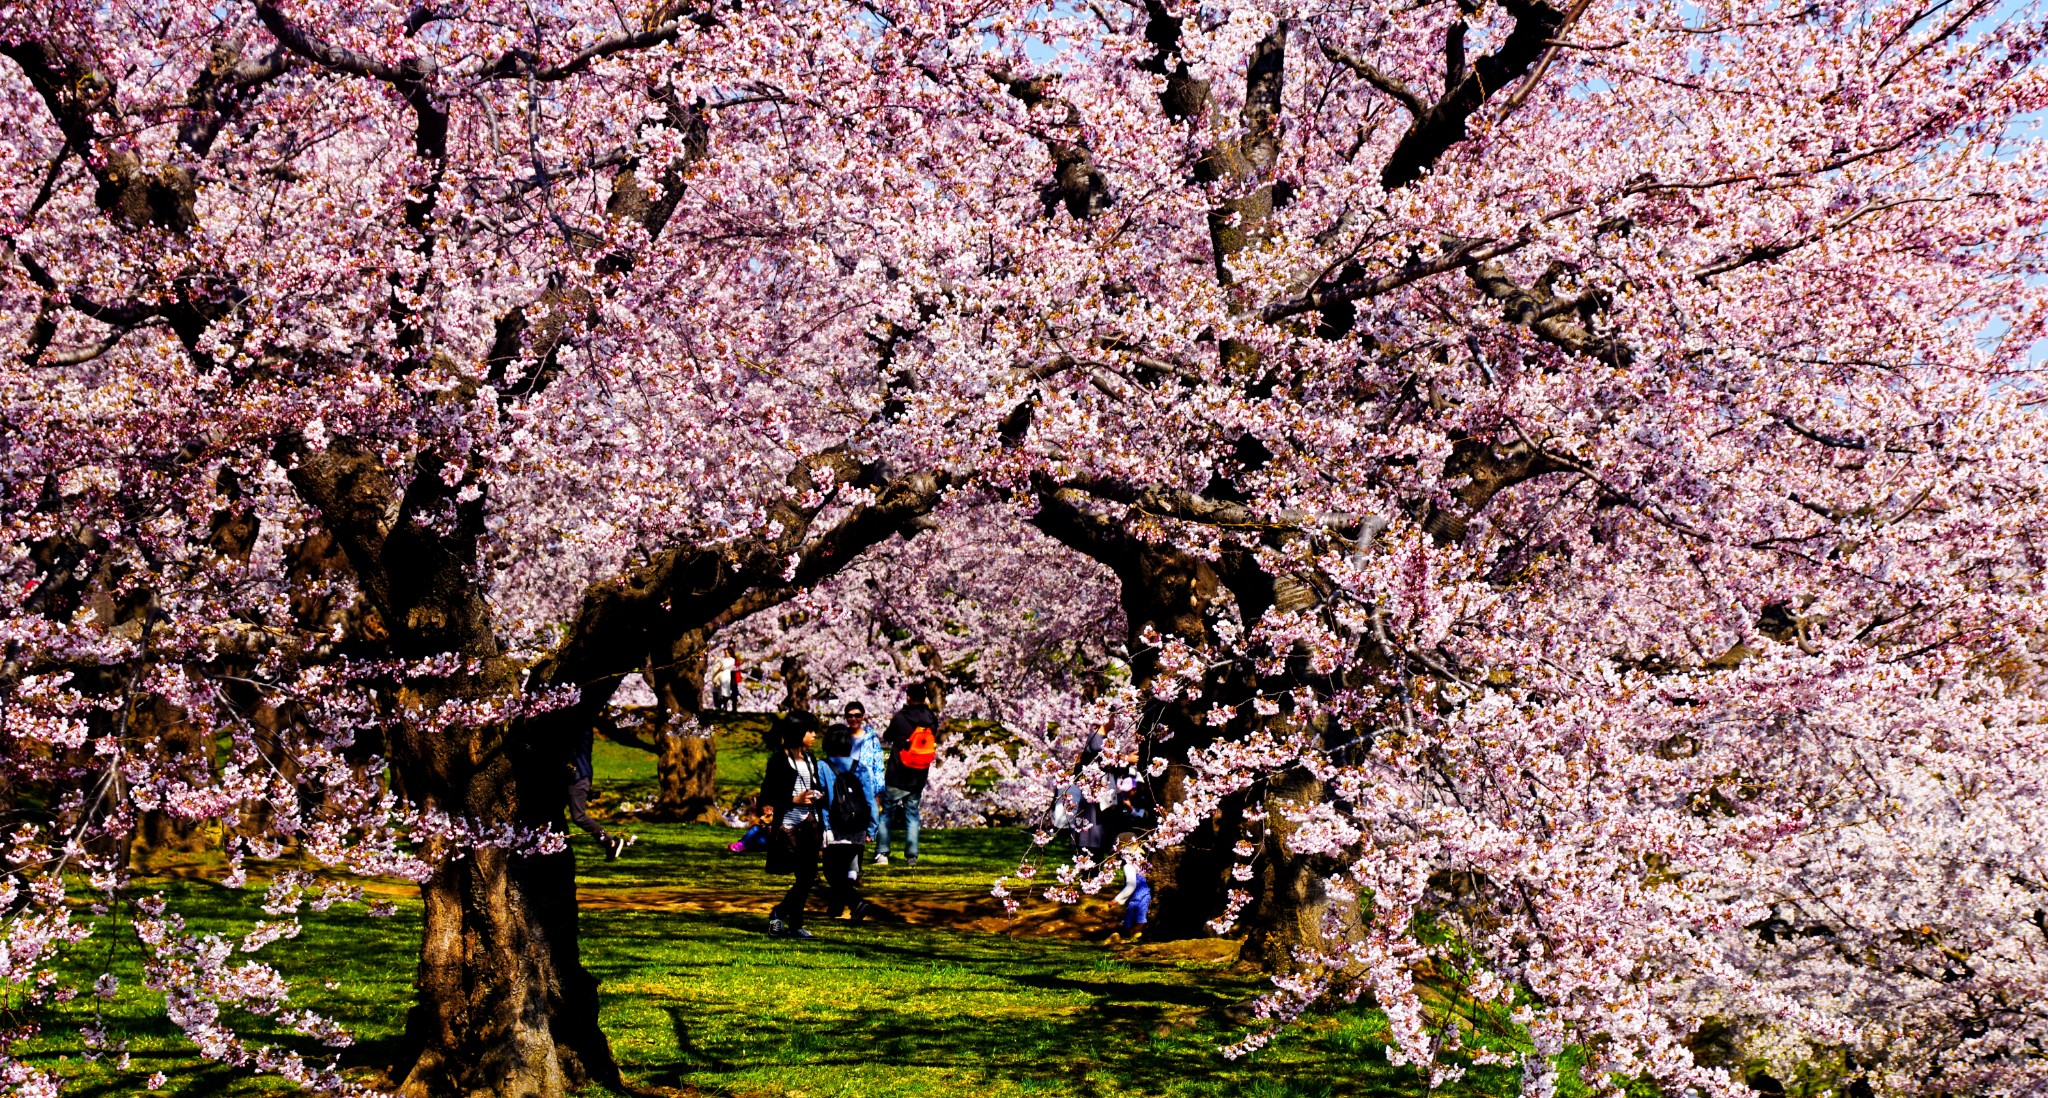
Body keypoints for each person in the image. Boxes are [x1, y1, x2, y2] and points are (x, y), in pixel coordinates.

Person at [758, 711, 826, 938]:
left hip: (809, 824)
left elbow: (813, 784)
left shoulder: (810, 759)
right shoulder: (779, 760)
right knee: (806, 876)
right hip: (788, 827)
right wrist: (793, 800)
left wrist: (817, 794)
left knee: (807, 877)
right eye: (810, 731)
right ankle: (783, 915)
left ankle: (791, 921)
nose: (814, 735)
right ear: (798, 732)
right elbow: (767, 794)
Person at [876, 680, 942, 867]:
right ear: (924, 698)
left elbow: (887, 736)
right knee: (912, 815)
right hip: (918, 774)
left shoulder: (900, 717)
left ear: (908, 697)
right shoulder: (930, 718)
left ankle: (882, 853)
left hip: (897, 772)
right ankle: (911, 855)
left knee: (887, 813)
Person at [818, 723, 876, 922]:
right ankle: (834, 909)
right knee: (843, 872)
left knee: (832, 872)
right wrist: (872, 828)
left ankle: (856, 902)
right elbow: (870, 800)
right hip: (857, 826)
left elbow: (820, 798)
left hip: (833, 826)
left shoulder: (822, 767)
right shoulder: (861, 768)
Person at [567, 718, 628, 861]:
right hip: (577, 777)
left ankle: (610, 842)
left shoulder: (579, 730)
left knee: (579, 816)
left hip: (577, 778)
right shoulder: (581, 730)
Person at [846, 701, 887, 842]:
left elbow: (879, 766)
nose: (854, 719)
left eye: (857, 715)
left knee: (869, 815)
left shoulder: (871, 739)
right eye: (850, 716)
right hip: (847, 785)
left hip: (867, 785)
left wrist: (879, 792)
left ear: (863, 716)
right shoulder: (843, 737)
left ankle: (871, 841)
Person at [1109, 832, 1150, 942]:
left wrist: (1116, 900)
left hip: (1136, 898)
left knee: (1133, 920)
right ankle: (1136, 936)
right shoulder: (1141, 864)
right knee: (1140, 918)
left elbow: (1131, 886)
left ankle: (1133, 936)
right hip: (1145, 895)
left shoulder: (1128, 866)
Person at [710, 646, 740, 713]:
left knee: (725, 693)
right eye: (725, 652)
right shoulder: (723, 659)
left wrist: (718, 659)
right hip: (719, 678)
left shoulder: (732, 660)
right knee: (718, 692)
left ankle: (725, 706)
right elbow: (717, 666)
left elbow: (723, 666)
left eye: (727, 652)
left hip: (726, 677)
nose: (726, 654)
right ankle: (718, 706)